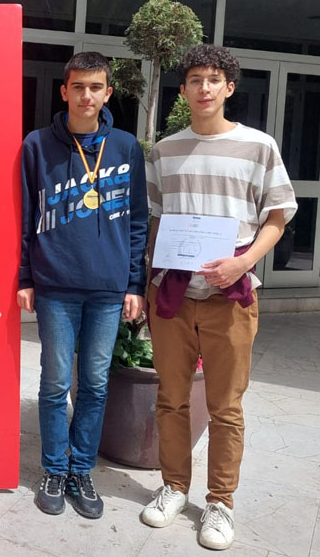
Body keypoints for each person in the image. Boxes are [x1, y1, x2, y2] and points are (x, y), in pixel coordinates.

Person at [141, 45, 296, 550]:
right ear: (182, 90)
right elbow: (158, 220)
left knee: (227, 408)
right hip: (174, 296)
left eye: (214, 80)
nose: (204, 88)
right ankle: (173, 487)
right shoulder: (164, 150)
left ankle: (220, 503)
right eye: (194, 80)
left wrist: (243, 261)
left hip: (232, 292)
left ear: (229, 88)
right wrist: (152, 276)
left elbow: (277, 216)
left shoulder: (258, 146)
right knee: (171, 399)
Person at [17, 52, 148, 519]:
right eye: (78, 87)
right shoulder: (37, 145)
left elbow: (136, 220)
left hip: (109, 289)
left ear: (108, 93)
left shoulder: (126, 147)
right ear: (64, 91)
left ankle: (81, 470)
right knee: (54, 384)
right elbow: (27, 218)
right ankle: (53, 469)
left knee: (93, 384)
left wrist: (136, 283)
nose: (86, 95)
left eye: (96, 87)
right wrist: (26, 276)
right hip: (55, 285)